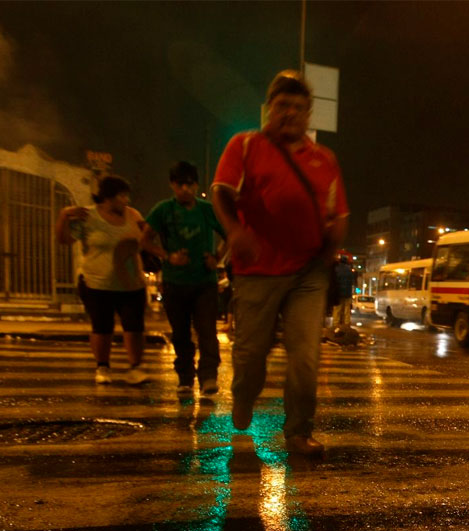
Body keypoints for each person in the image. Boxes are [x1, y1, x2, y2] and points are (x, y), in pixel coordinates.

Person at [211, 70, 348, 457]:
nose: (290, 113)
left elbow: (337, 212)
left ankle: (299, 433)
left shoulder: (324, 159)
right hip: (257, 271)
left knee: (305, 354)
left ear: (309, 115)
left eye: (299, 107)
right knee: (252, 354)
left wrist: (332, 243)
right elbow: (221, 191)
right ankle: (244, 395)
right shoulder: (246, 145)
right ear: (270, 109)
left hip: (308, 272)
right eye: (283, 105)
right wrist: (234, 231)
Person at [54, 174, 150, 385]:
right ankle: (103, 367)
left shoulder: (133, 215)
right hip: (97, 283)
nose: (126, 201)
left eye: (127, 196)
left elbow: (147, 238)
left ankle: (136, 366)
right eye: (121, 196)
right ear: (107, 198)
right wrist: (63, 216)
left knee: (134, 327)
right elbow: (64, 240)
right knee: (102, 327)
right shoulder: (87, 216)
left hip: (131, 283)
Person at [143, 161, 225, 396]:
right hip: (174, 283)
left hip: (204, 283)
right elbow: (145, 240)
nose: (186, 190)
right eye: (181, 185)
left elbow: (229, 235)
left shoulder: (206, 209)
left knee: (207, 331)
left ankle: (209, 376)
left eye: (190, 185)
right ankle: (185, 378)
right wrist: (167, 256)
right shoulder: (163, 210)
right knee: (180, 333)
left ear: (196, 185)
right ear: (172, 185)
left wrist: (216, 258)